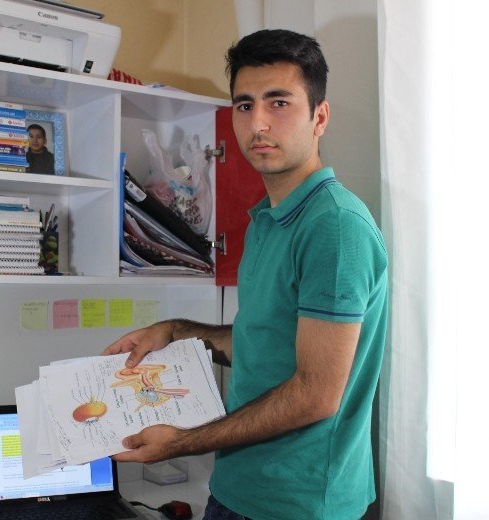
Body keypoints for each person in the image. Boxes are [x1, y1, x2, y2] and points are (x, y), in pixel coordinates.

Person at [102, 29, 388, 520]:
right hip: (237, 488)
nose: (258, 123)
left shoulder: (334, 227)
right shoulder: (266, 221)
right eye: (244, 105)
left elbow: (315, 395)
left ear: (319, 117)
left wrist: (181, 442)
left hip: (297, 505)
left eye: (279, 103)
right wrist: (174, 331)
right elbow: (263, 343)